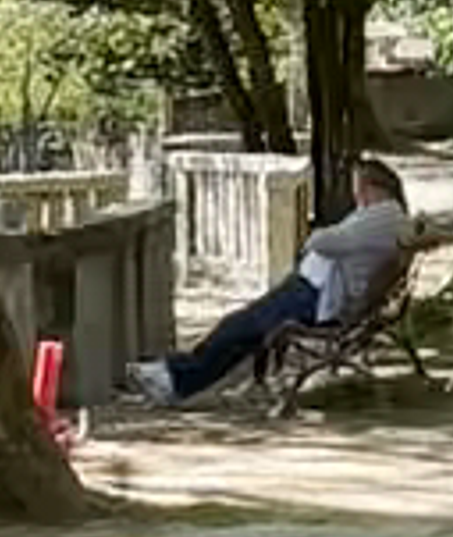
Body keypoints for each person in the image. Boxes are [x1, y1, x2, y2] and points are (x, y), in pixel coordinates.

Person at [126, 157, 415, 406]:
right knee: (241, 329)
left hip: (316, 298)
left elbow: (326, 241)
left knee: (239, 327)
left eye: (358, 186)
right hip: (311, 290)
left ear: (373, 187)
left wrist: (317, 237)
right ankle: (175, 379)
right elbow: (337, 241)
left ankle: (172, 378)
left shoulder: (382, 217)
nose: (356, 194)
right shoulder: (381, 216)